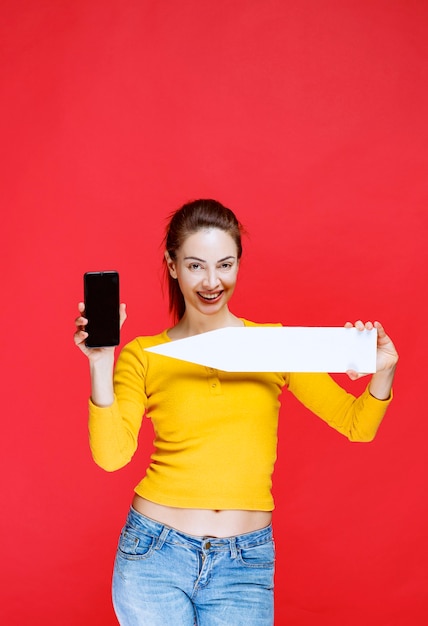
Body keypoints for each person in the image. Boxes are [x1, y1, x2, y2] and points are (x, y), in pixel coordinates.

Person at [74, 199, 398, 626]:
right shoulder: (144, 355)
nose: (212, 282)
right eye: (195, 266)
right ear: (172, 266)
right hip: (154, 556)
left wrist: (383, 370)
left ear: (239, 265)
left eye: (224, 265)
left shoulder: (276, 346)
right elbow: (112, 457)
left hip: (244, 563)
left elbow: (357, 426)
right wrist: (100, 362)